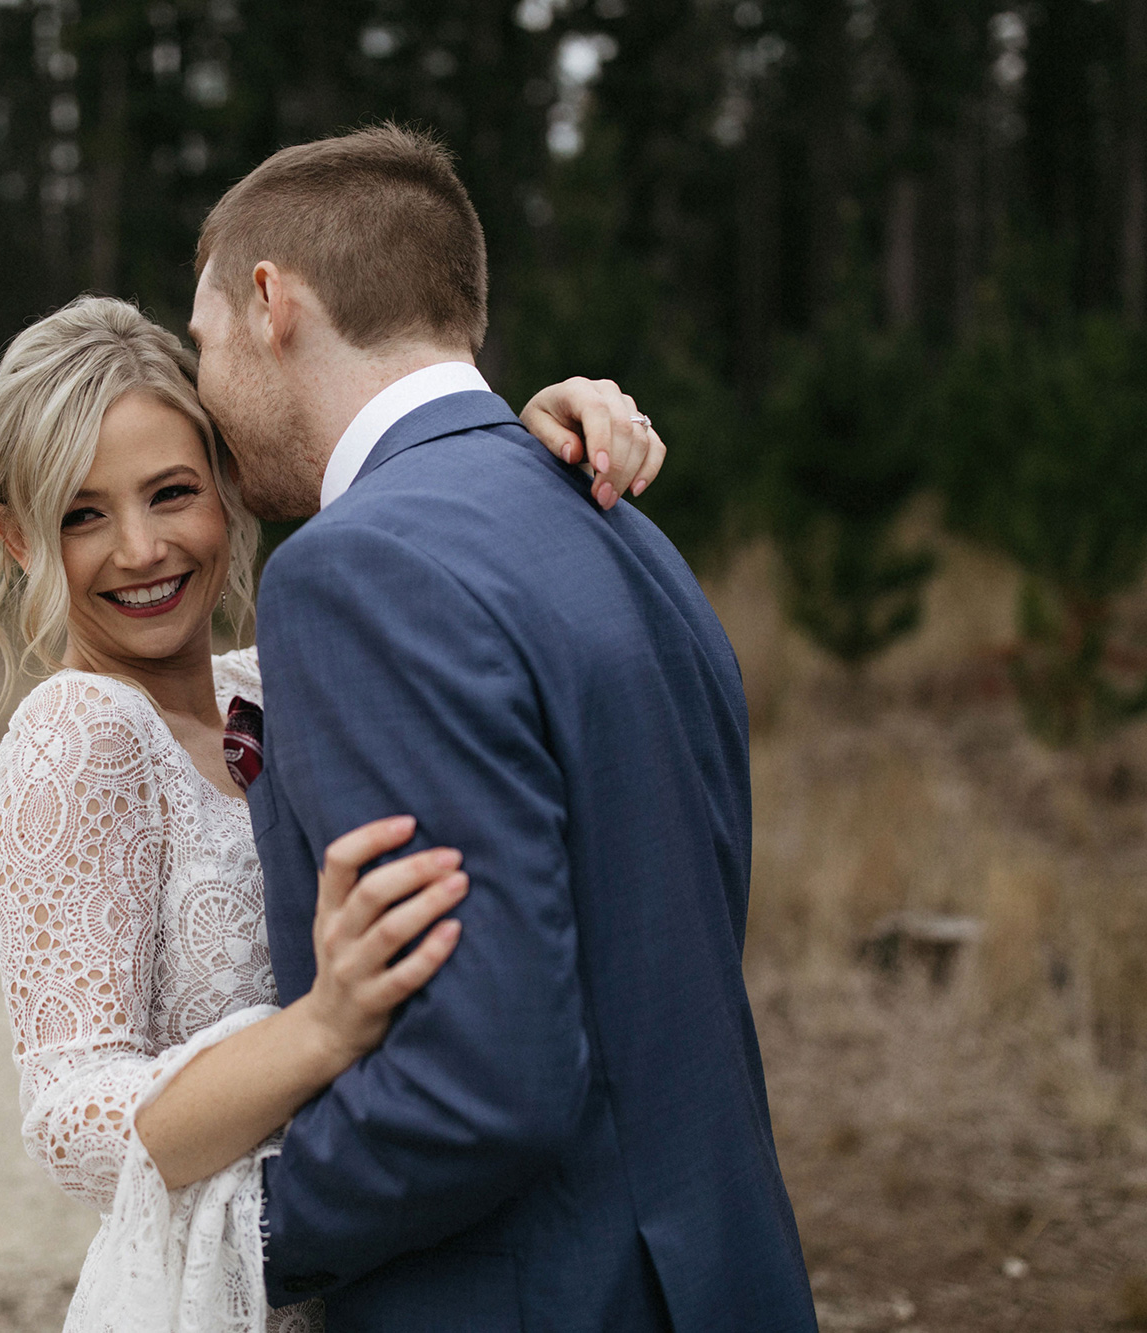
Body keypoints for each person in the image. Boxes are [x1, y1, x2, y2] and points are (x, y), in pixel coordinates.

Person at [186, 125, 818, 1330]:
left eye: (203, 344)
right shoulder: (618, 517)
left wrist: (233, 1244)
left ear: (273, 303)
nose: (207, 401)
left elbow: (479, 1083)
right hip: (716, 1278)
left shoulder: (352, 567)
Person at [0, 289, 668, 1329]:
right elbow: (68, 1122)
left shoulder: (275, 675)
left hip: (395, 1262)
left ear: (226, 484)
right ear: (15, 534)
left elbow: (450, 597)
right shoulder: (76, 735)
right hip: (232, 1284)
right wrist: (319, 1030)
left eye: (170, 492)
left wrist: (520, 443)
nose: (140, 549)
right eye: (81, 513)